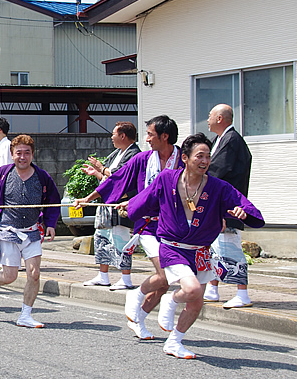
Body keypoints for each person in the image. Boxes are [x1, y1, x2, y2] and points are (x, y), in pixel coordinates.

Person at [125, 133, 264, 359]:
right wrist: (131, 208)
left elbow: (244, 205)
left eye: (208, 156)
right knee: (191, 290)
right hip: (172, 247)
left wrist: (243, 212)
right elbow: (143, 202)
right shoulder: (166, 179)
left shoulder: (218, 187)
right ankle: (170, 299)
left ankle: (174, 342)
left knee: (196, 303)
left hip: (199, 251)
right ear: (185, 158)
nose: (205, 161)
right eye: (200, 156)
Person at [74, 115, 183, 340]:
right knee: (165, 275)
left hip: (176, 227)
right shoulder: (143, 159)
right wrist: (89, 198)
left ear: (165, 136)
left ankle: (138, 318)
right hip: (149, 226)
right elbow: (116, 180)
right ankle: (138, 295)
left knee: (167, 282)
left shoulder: (183, 159)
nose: (147, 139)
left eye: (151, 135)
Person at [0, 135, 61, 327]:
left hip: (32, 231)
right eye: (18, 153)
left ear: (32, 155)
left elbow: (53, 201)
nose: (22, 157)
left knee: (34, 274)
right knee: (9, 276)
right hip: (8, 231)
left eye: (26, 153)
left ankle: (25, 315)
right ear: (12, 155)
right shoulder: (3, 173)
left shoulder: (42, 176)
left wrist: (51, 223)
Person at [203, 104, 254, 309]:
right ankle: (212, 289)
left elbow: (218, 169)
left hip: (229, 204)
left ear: (220, 118)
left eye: (210, 115)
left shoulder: (232, 140)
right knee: (214, 247)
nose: (207, 119)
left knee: (230, 246)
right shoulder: (221, 139)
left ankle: (242, 293)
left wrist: (197, 179)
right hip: (219, 203)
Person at [80, 122, 141, 290]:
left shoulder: (134, 155)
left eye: (114, 134)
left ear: (123, 136)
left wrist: (102, 168)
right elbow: (108, 180)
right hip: (107, 204)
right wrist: (97, 173)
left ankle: (126, 277)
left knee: (121, 241)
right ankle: (103, 275)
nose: (111, 137)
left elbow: (120, 176)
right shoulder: (116, 153)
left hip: (120, 204)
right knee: (101, 238)